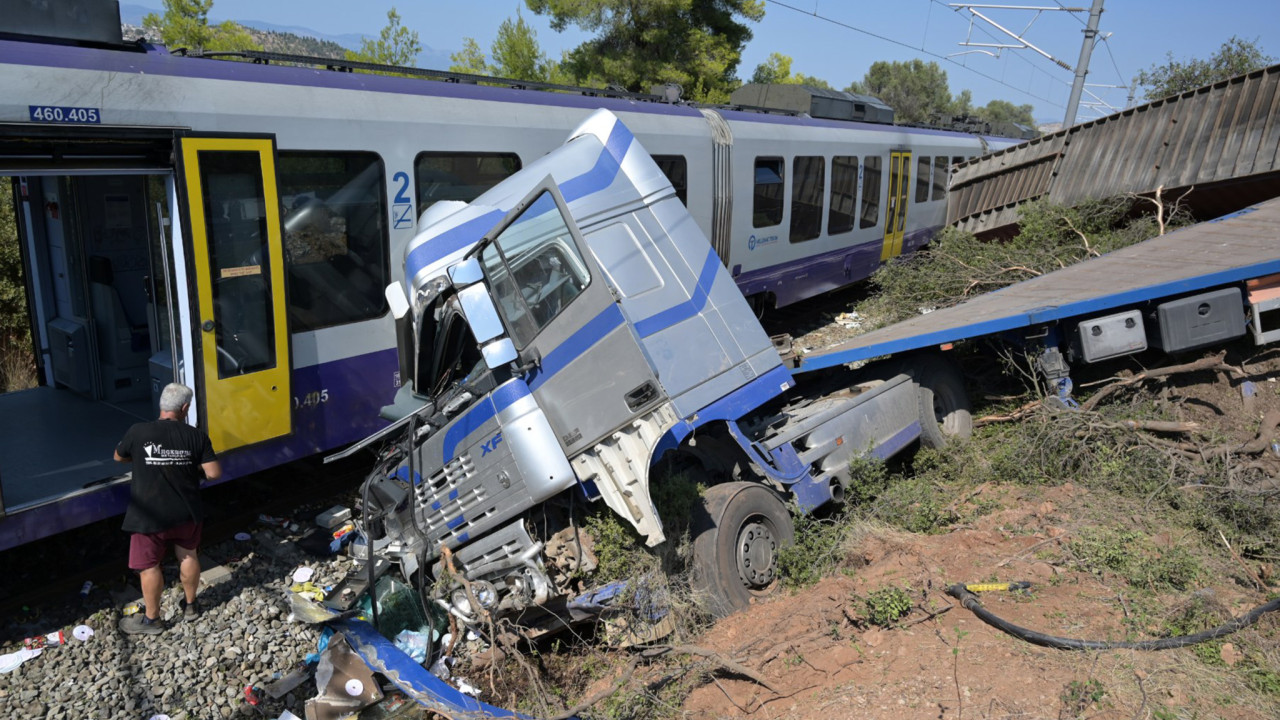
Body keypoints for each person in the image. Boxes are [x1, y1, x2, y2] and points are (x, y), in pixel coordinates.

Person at [113, 383, 221, 635]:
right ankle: (191, 605)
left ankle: (152, 621)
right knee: (188, 554)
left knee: (149, 566)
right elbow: (214, 473)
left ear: (162, 405)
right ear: (184, 408)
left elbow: (118, 457)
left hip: (149, 516)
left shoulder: (138, 431)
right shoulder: (196, 436)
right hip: (186, 511)